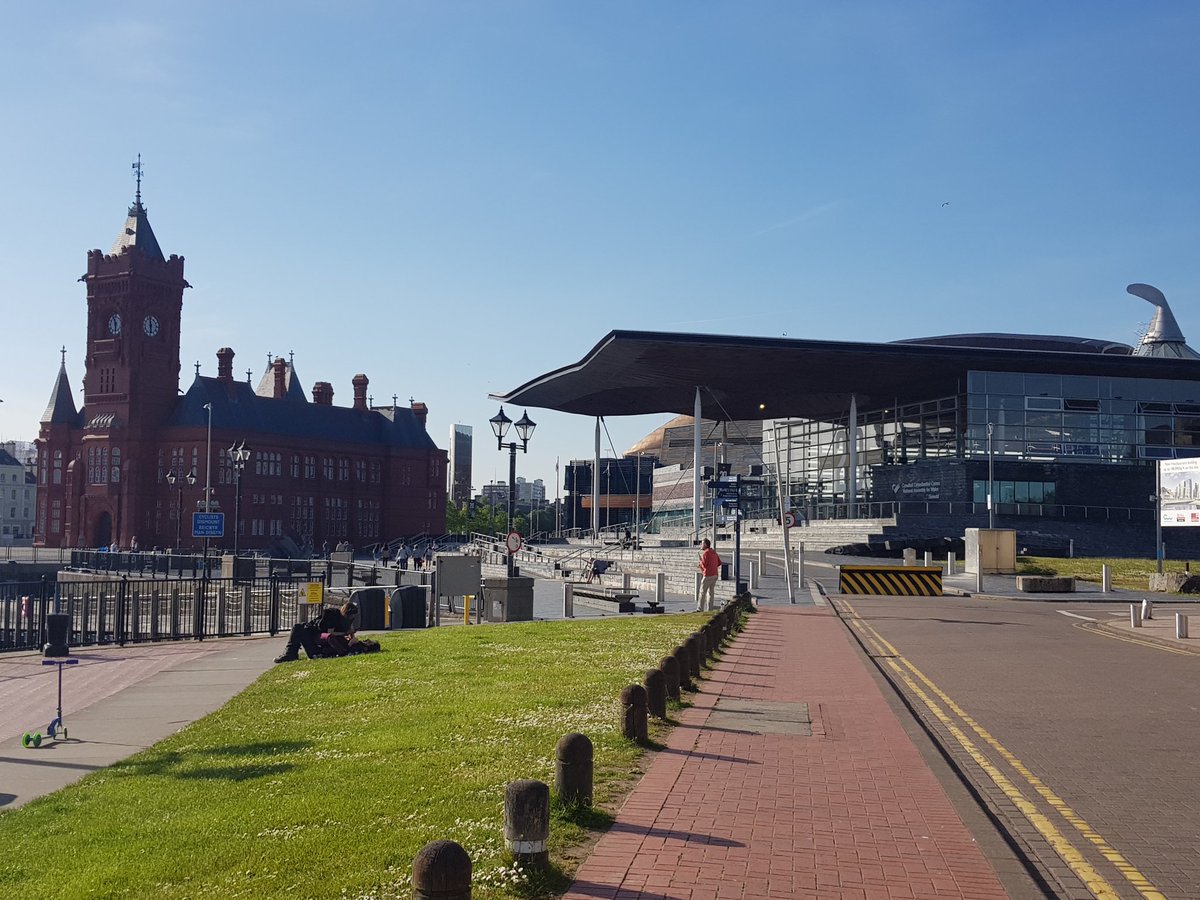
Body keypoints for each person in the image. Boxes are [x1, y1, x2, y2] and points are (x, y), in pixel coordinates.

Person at [274, 600, 359, 663]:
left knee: (297, 628)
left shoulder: (344, 619)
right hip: (317, 631)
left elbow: (332, 633)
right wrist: (346, 634)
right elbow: (331, 631)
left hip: (317, 635)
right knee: (298, 627)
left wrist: (351, 637)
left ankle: (290, 653)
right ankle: (290, 653)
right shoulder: (333, 615)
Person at [697, 538, 721, 611]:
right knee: (711, 593)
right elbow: (719, 562)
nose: (701, 545)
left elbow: (704, 564)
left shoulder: (705, 553)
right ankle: (709, 609)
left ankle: (700, 609)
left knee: (702, 592)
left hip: (708, 575)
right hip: (715, 574)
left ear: (705, 544)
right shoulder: (714, 552)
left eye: (702, 543)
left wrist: (700, 562)